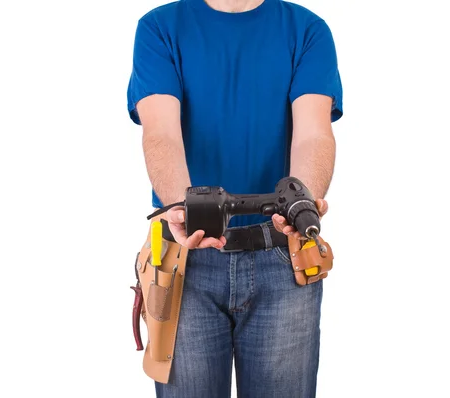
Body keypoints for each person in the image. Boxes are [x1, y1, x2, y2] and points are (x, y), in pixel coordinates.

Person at [127, 0, 342, 396]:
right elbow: (160, 134)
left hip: (284, 256)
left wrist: (304, 201)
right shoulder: (159, 28)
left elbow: (314, 132)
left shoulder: (306, 30)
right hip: (184, 258)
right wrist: (183, 208)